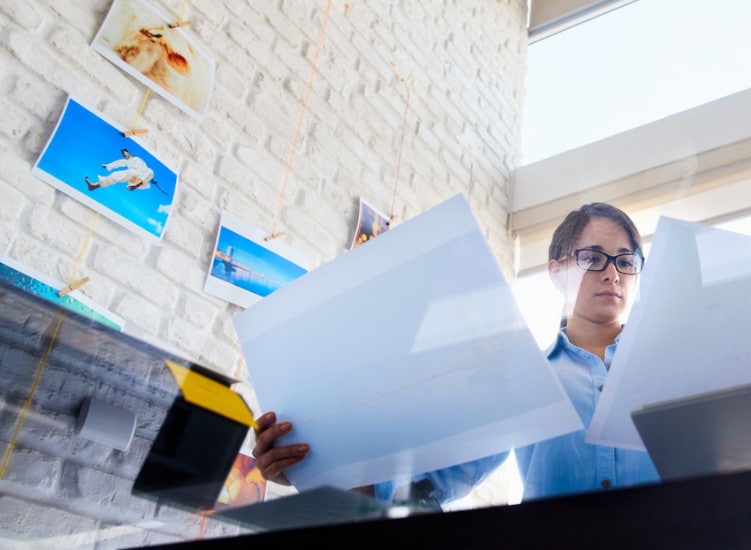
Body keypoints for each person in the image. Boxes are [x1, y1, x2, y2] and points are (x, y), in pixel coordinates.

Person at [253, 203, 660, 505]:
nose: (612, 273)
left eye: (626, 262)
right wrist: (310, 465)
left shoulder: (669, 369)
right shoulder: (521, 378)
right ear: (556, 271)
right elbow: (423, 487)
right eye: (592, 258)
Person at [85, 148, 156, 191]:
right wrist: (108, 165)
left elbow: (145, 169)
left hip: (141, 175)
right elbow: (118, 163)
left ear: (128, 152)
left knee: (150, 171)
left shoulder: (137, 158)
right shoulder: (125, 161)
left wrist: (149, 178)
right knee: (115, 175)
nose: (125, 155)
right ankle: (94, 186)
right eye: (123, 154)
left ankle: (136, 184)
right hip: (132, 174)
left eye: (125, 153)